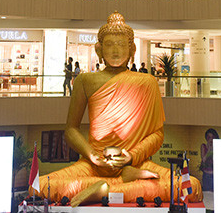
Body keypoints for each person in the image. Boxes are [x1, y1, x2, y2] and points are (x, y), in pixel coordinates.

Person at [31, 13, 201, 205]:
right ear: (99, 49)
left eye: (121, 45)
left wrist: (132, 156)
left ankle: (104, 189)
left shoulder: (147, 82)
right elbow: (71, 130)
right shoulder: (85, 81)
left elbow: (157, 134)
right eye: (109, 44)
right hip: (93, 166)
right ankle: (119, 186)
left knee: (190, 186)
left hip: (136, 163)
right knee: (39, 185)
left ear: (132, 49)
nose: (115, 50)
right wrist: (92, 156)